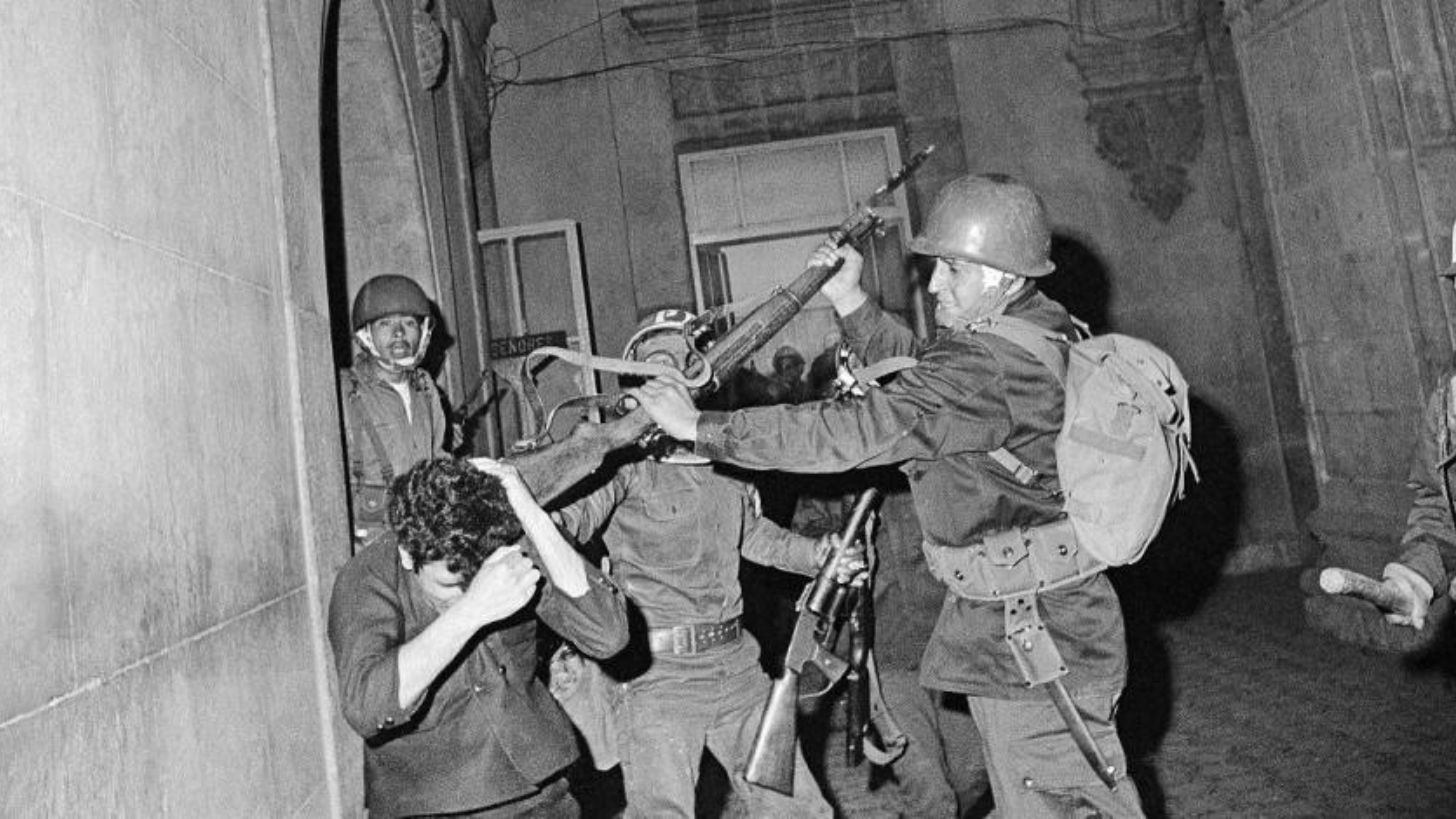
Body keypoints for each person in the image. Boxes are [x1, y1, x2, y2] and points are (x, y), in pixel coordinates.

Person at [631, 174, 1146, 817]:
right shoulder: (1033, 330)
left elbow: (855, 429)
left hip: (1036, 640)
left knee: (1057, 802)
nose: (934, 285)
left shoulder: (987, 363)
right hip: (1034, 624)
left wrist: (701, 427)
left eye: (953, 270)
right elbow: (932, 384)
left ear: (1004, 277)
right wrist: (852, 302)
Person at [552, 309, 842, 819]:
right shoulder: (623, 466)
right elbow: (562, 529)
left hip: (737, 666)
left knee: (800, 811)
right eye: (657, 362)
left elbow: (754, 536)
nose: (673, 372)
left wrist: (816, 556)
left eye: (686, 360)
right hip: (658, 679)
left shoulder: (723, 454)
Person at [328, 456, 628, 818]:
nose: (465, 592)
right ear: (408, 554)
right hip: (430, 804)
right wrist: (471, 610)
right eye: (449, 585)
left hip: (540, 792)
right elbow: (365, 705)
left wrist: (531, 514)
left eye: (474, 581)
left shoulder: (499, 539)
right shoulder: (367, 578)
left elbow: (607, 636)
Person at [340, 274, 450, 549]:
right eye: (385, 323)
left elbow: (437, 457)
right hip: (370, 542)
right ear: (366, 334)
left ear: (423, 332)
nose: (399, 333)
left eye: (409, 323)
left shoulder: (425, 388)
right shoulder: (344, 391)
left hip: (424, 534)